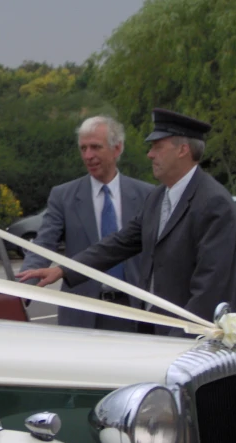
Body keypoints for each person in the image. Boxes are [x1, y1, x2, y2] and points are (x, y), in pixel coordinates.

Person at [18, 108, 236, 335]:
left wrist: (181, 341)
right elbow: (120, 244)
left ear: (183, 150)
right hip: (156, 328)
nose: (150, 154)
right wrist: (62, 270)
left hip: (193, 337)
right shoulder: (159, 197)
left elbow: (210, 284)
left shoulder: (213, 202)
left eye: (157, 147)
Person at [19, 116, 154, 332]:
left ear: (117, 148)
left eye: (95, 147)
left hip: (134, 312)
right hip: (81, 312)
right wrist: (22, 290)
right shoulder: (63, 196)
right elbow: (43, 245)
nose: (88, 156)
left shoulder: (147, 195)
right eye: (83, 148)